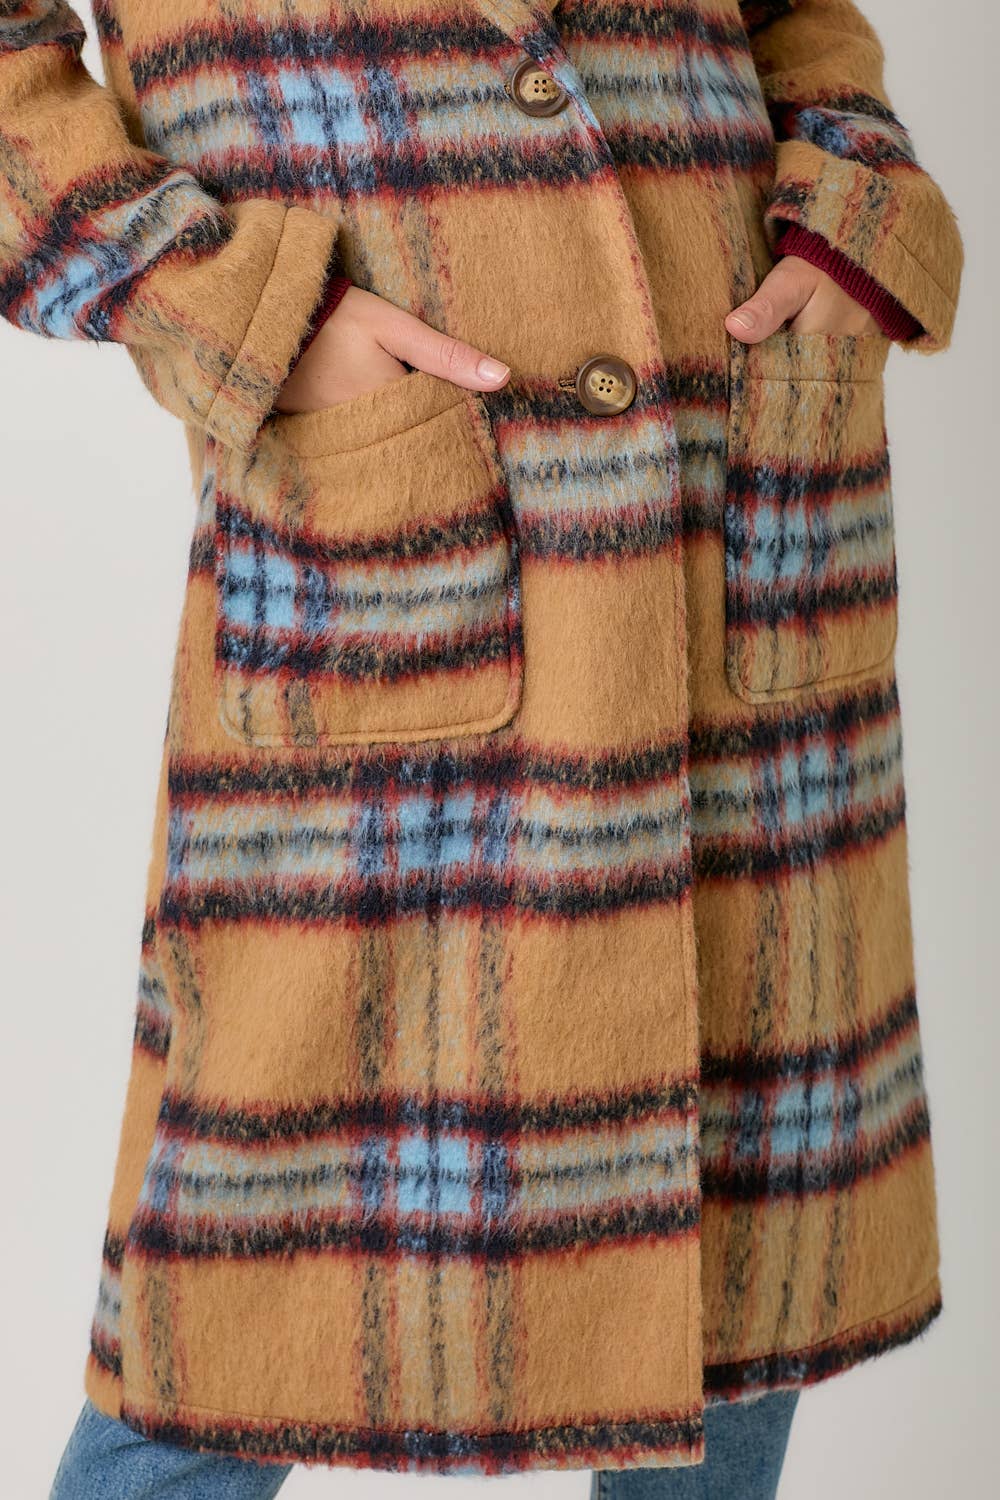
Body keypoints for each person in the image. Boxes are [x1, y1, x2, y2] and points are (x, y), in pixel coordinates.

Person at [0, 0, 962, 1496]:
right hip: (379, 528)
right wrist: (217, 295)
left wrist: (851, 208)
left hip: (737, 485)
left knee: (730, 1265)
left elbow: (802, 20)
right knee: (225, 1303)